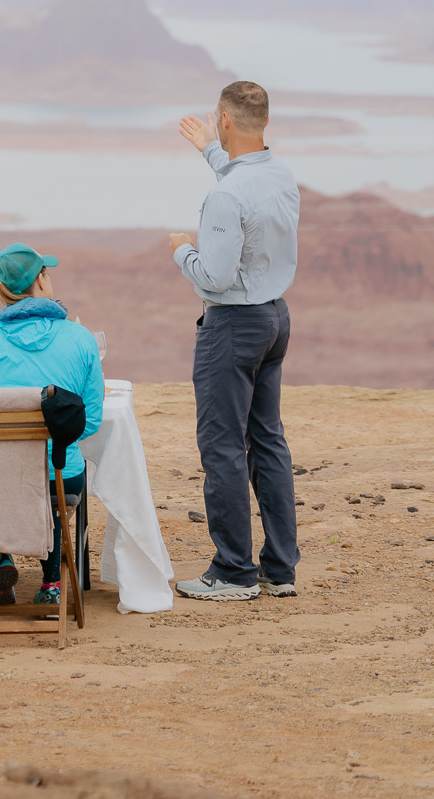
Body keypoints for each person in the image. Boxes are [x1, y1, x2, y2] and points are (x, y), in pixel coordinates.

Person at [169, 80, 302, 602]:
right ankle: (279, 569)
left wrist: (182, 251)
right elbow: (241, 183)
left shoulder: (226, 194)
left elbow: (216, 277)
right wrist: (208, 148)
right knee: (267, 440)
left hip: (232, 328)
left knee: (222, 447)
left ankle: (232, 571)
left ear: (225, 120)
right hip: (274, 319)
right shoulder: (280, 174)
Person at [0, 242, 103, 607]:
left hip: (2, 477)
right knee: (50, 482)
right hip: (61, 472)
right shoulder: (80, 338)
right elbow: (92, 418)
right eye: (46, 272)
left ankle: (2, 563)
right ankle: (52, 584)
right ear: (40, 281)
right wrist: (50, 442)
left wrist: (19, 447)